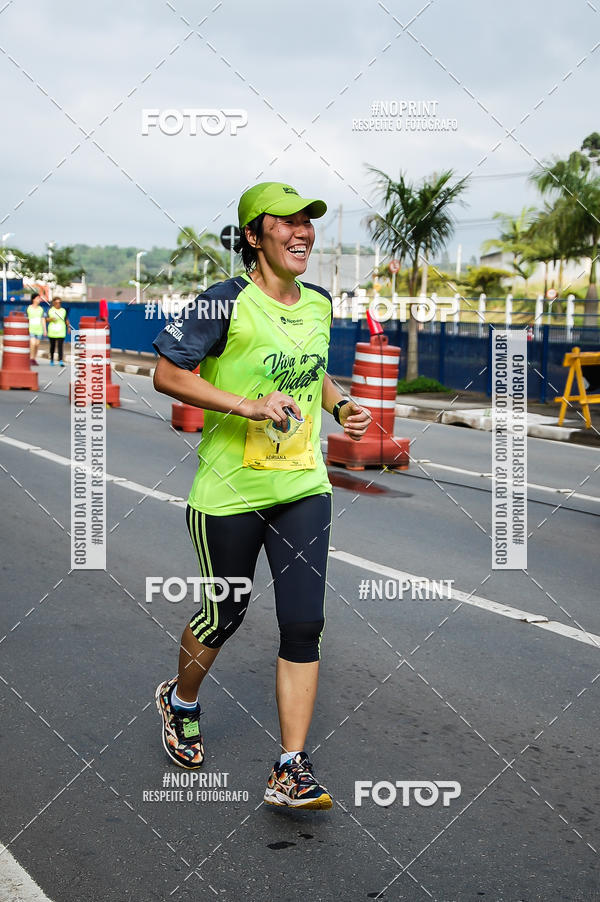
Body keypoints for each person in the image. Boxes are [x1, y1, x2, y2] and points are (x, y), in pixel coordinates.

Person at [152, 181, 370, 809]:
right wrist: (249, 405)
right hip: (229, 491)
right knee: (225, 613)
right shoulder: (224, 303)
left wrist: (342, 405)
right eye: (287, 223)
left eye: (309, 223)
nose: (302, 233)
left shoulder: (320, 304)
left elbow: (313, 368)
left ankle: (290, 766)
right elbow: (167, 373)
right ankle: (181, 697)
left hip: (303, 485)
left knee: (304, 625)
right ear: (254, 236)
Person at [46, 297, 70, 366]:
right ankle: (52, 360)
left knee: (60, 346)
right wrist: (51, 319)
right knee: (52, 346)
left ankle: (60, 360)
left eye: (59, 303)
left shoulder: (63, 310)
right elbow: (45, 319)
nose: (58, 304)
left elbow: (66, 319)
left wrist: (68, 327)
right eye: (56, 303)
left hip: (61, 331)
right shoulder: (50, 310)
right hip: (52, 331)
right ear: (53, 303)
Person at [26, 292, 46, 365]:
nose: (39, 300)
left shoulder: (41, 309)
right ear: (33, 299)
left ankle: (34, 358)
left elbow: (43, 319)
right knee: (33, 343)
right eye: (38, 298)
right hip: (31, 328)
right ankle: (31, 358)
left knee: (37, 344)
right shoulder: (29, 308)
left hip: (39, 329)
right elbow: (26, 319)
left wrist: (44, 330)